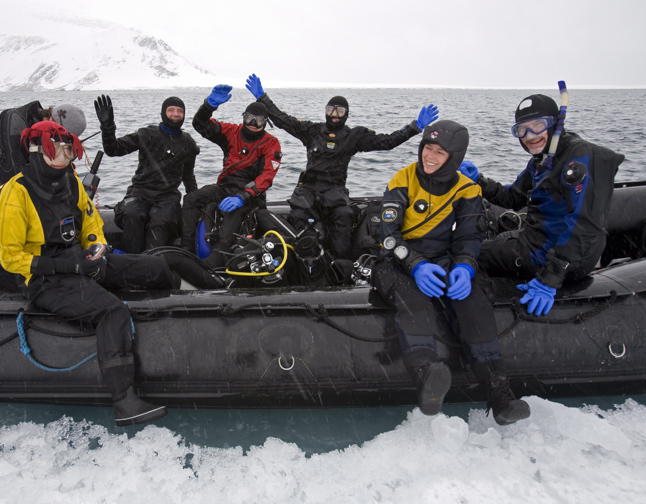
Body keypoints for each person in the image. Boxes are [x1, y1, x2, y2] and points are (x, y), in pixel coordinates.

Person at [0, 120, 170, 426]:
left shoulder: (71, 182)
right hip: (45, 278)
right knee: (112, 312)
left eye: (68, 150)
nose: (65, 156)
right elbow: (11, 258)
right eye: (57, 150)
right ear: (37, 150)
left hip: (81, 261)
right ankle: (124, 401)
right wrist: (69, 266)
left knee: (156, 268)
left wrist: (96, 245)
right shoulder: (16, 194)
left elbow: (90, 220)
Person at [372, 119, 530, 425]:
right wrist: (416, 265)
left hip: (444, 258)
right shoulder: (402, 180)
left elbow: (470, 236)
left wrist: (465, 266)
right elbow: (388, 238)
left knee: (472, 299)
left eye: (439, 152)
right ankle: (427, 375)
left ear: (454, 157)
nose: (429, 156)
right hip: (399, 259)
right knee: (412, 299)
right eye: (427, 148)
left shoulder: (467, 189)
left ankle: (499, 392)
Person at [460, 94, 625, 316]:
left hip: (560, 257)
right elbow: (513, 198)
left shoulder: (580, 158)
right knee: (495, 240)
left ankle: (482, 310)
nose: (529, 136)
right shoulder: (543, 160)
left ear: (556, 123)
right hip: (538, 241)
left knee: (470, 254)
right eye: (521, 130)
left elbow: (584, 226)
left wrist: (550, 279)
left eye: (537, 126)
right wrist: (480, 181)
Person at [244, 73, 439, 260]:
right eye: (331, 110)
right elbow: (282, 120)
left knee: (343, 222)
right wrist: (262, 98)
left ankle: (340, 266)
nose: (334, 115)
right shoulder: (312, 131)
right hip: (308, 191)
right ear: (325, 111)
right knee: (298, 222)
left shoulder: (354, 136)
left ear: (347, 114)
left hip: (335, 193)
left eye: (339, 111)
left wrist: (414, 127)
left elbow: (387, 142)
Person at [182, 84, 283, 265]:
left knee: (232, 217)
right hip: (225, 186)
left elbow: (267, 176)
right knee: (191, 199)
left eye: (259, 121)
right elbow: (200, 125)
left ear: (266, 123)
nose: (253, 124)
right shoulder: (232, 132)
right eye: (249, 119)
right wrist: (208, 106)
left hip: (251, 195)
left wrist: (243, 196)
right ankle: (187, 250)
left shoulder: (271, 143)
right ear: (243, 117)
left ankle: (217, 260)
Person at [94, 94, 200, 253]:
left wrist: (195, 201)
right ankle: (131, 259)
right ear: (163, 113)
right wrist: (107, 126)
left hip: (168, 196)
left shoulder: (188, 143)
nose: (175, 114)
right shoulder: (146, 134)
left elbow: (188, 177)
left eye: (180, 111)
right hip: (140, 191)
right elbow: (113, 149)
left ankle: (152, 260)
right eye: (171, 110)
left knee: (161, 221)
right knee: (132, 214)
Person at [0, 101, 87, 201]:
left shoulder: (39, 125)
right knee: (26, 194)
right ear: (50, 119)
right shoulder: (15, 127)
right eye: (58, 137)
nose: (58, 142)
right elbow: (15, 177)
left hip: (18, 170)